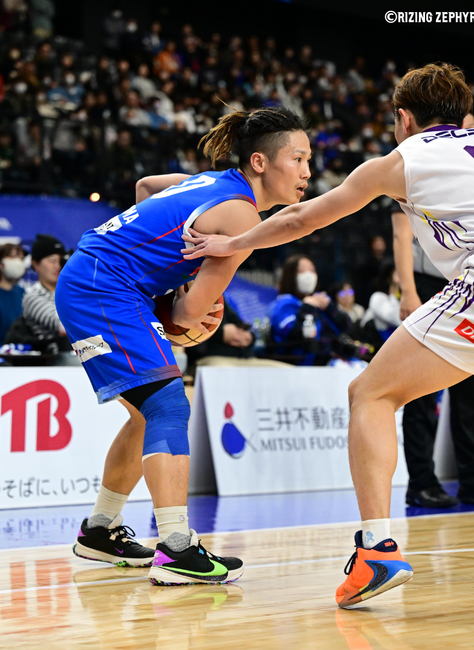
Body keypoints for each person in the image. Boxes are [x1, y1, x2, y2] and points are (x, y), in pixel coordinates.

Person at [182, 63, 474, 607]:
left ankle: (377, 550)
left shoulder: (404, 158)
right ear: (465, 113)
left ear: (403, 118)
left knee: (371, 394)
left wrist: (231, 243)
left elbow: (301, 219)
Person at [55, 107, 311, 585]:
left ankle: (100, 530)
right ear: (260, 162)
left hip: (92, 278)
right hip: (104, 287)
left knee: (148, 413)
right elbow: (192, 314)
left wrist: (165, 280)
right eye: (297, 159)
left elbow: (146, 187)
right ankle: (175, 548)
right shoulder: (241, 215)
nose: (307, 172)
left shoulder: (209, 181)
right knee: (169, 406)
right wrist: (181, 301)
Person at [392, 185, 474, 507]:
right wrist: (408, 291)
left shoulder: (472, 177)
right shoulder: (415, 172)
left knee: (469, 390)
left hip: (468, 281)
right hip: (426, 283)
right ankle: (421, 483)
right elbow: (401, 235)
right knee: (420, 393)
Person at [269, 254, 351, 365]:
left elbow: (347, 327)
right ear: (290, 275)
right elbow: (292, 335)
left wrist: (330, 307)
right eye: (302, 271)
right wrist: (307, 308)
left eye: (312, 271)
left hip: (332, 361)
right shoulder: (285, 303)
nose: (309, 275)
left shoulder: (320, 300)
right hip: (303, 365)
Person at [22, 234, 67, 344]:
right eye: (52, 261)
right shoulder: (33, 296)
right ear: (35, 264)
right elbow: (63, 326)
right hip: (54, 352)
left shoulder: (69, 292)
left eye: (61, 261)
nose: (58, 266)